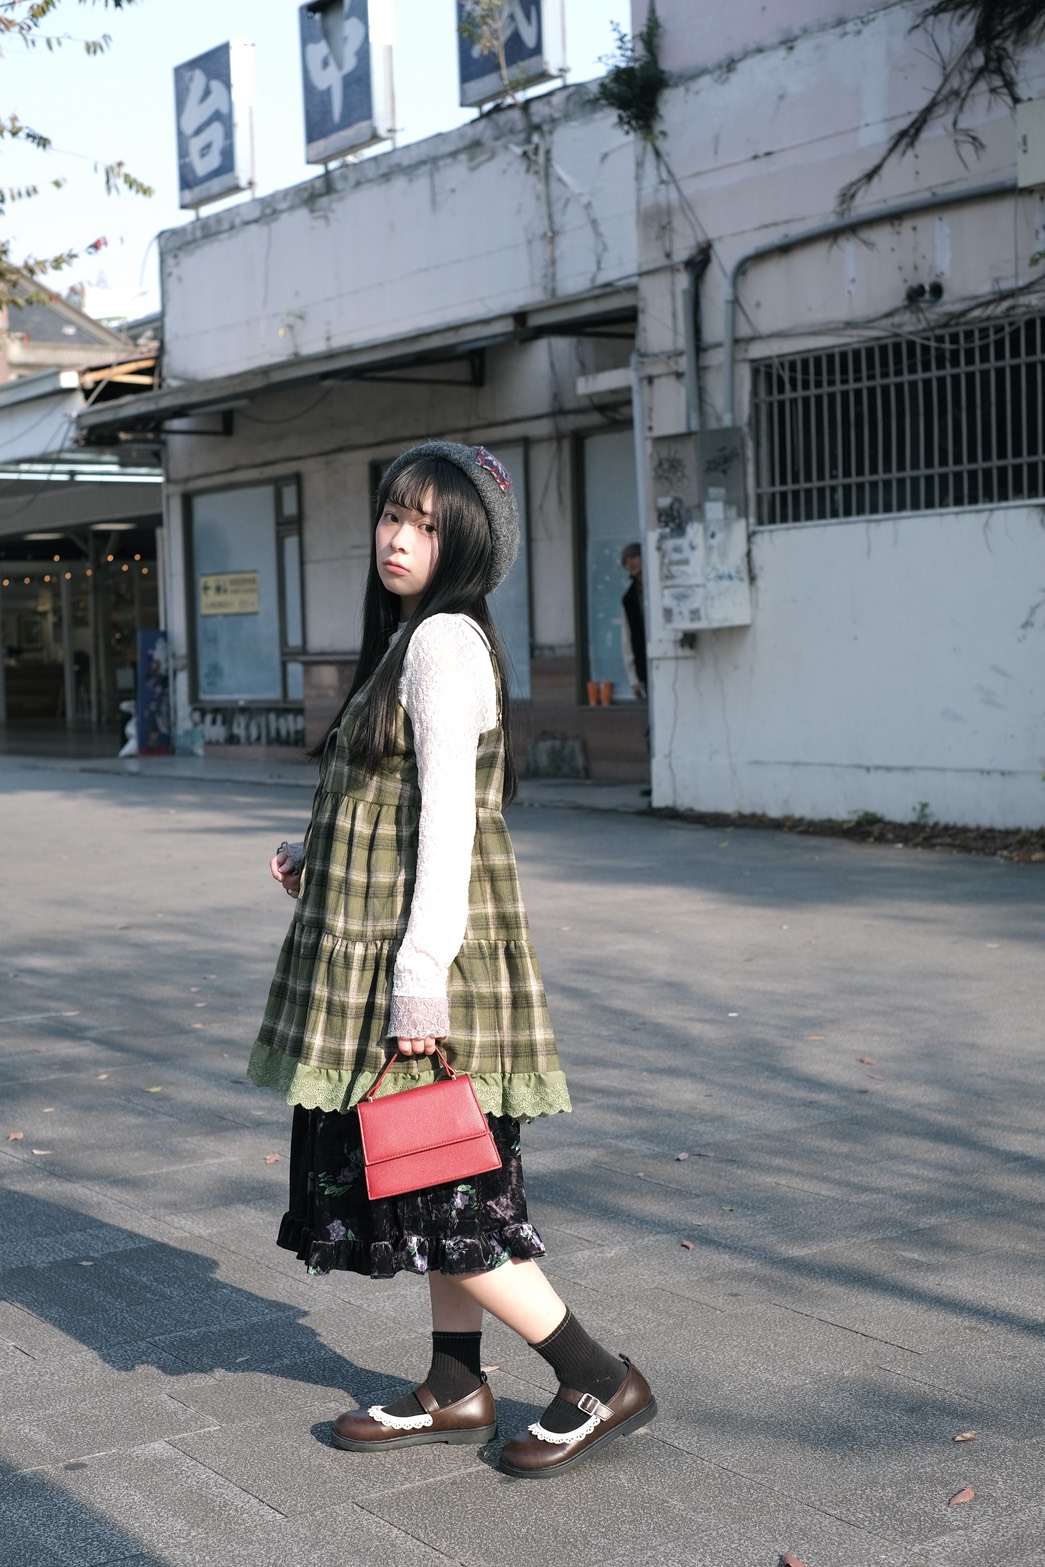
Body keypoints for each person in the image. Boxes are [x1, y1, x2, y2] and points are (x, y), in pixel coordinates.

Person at [248, 441, 655, 1479]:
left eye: (426, 524)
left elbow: (450, 831)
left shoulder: (441, 643)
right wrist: (319, 860)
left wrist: (419, 976)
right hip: (396, 951)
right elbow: (390, 808)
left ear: (467, 543)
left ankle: (596, 1376)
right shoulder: (412, 639)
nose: (397, 536)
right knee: (428, 1171)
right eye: (392, 514)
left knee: (440, 1189)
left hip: (425, 966)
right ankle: (453, 1383)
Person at [620, 542, 647, 700]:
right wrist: (633, 678)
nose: (630, 564)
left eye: (634, 557)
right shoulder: (629, 598)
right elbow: (627, 640)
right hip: (645, 666)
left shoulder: (659, 586)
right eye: (626, 561)